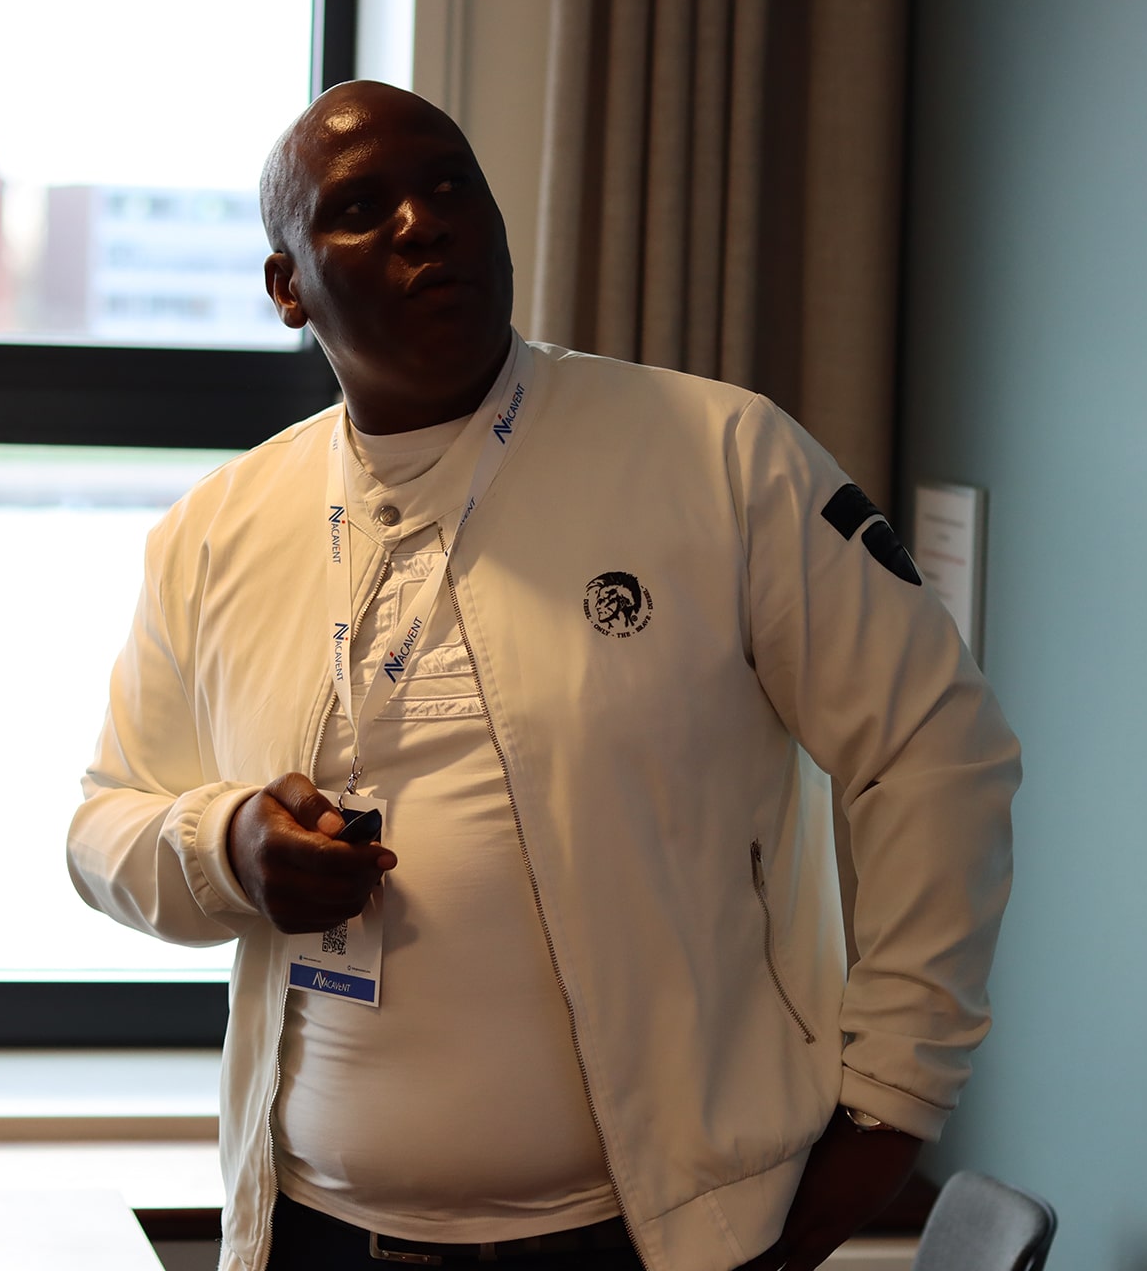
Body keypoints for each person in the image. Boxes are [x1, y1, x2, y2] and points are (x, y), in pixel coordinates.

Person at [67, 80, 1020, 1271]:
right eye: (360, 208)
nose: (423, 222)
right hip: (311, 1234)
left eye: (450, 186)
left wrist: (896, 1091)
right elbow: (103, 830)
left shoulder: (722, 459)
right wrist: (228, 847)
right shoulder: (217, 531)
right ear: (287, 287)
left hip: (649, 1240)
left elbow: (937, 748)